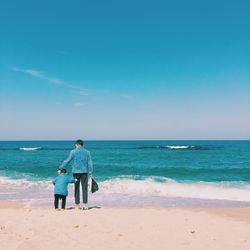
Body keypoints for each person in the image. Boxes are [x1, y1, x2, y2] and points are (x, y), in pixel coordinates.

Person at [60, 139, 93, 210]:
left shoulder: (73, 152)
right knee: (84, 188)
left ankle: (77, 205)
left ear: (77, 144)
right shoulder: (87, 152)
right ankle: (85, 205)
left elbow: (67, 160)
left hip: (75, 173)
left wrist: (61, 167)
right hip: (84, 172)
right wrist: (90, 172)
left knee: (77, 188)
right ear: (82, 145)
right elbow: (90, 163)